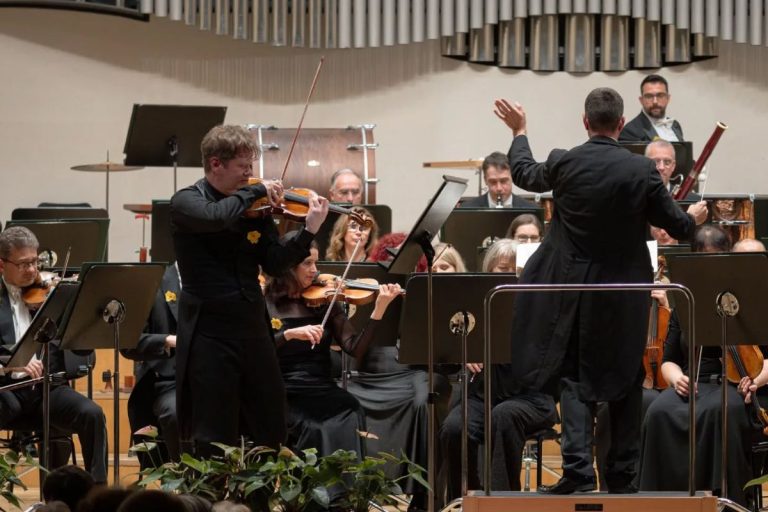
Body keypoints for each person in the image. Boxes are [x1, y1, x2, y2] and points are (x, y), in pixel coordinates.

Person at [493, 88, 708, 494]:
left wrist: (520, 131)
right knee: (626, 380)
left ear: (585, 122)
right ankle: (621, 479)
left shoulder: (564, 161)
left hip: (571, 293)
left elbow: (523, 172)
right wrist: (692, 215)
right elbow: (678, 228)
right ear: (622, 125)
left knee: (574, 380)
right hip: (623, 295)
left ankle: (576, 475)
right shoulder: (641, 171)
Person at [170, 124, 329, 457]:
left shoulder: (255, 209)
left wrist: (308, 231)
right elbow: (215, 218)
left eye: (251, 167)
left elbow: (273, 262)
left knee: (270, 420)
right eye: (243, 167)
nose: (250, 174)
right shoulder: (187, 201)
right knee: (215, 430)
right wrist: (253, 191)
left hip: (253, 328)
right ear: (216, 164)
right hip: (209, 332)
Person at [638, 225, 765, 506]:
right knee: (658, 411)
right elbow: (669, 360)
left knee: (720, 412)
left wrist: (757, 379)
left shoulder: (750, 295)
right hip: (693, 383)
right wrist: (676, 379)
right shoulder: (686, 300)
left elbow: (764, 359)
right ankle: (661, 504)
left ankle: (723, 502)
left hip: (737, 383)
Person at [439, 241, 557, 500]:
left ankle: (502, 501)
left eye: (513, 270)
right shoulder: (476, 304)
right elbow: (447, 351)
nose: (509, 276)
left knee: (504, 415)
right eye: (501, 269)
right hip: (483, 395)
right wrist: (463, 353)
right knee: (454, 427)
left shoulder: (539, 304)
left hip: (530, 397)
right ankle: (464, 497)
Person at [265, 236, 401, 459]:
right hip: (284, 390)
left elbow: (354, 348)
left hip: (321, 386)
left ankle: (345, 489)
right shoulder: (266, 301)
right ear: (289, 265)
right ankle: (314, 489)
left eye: (316, 263)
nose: (315, 270)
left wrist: (379, 309)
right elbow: (259, 352)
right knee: (316, 426)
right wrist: (288, 335)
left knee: (350, 409)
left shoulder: (325, 299)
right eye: (307, 263)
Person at [0, 226, 108, 483]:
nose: (32, 271)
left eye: (35, 262)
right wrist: (11, 364)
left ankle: (98, 494)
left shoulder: (50, 293)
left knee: (92, 414)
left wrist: (68, 304)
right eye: (24, 264)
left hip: (46, 390)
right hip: (5, 391)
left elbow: (81, 345)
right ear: (2, 265)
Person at [121, 263, 181, 467]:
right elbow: (128, 343)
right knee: (176, 413)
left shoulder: (216, 283)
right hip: (167, 382)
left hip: (212, 379)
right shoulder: (151, 284)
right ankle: (182, 485)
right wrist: (166, 340)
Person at [459, 152, 539, 209]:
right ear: (485, 180)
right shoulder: (467, 209)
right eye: (493, 182)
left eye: (504, 181)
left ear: (512, 177)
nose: (499, 188)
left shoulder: (530, 210)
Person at [619, 74, 684, 143]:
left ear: (668, 98)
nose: (655, 102)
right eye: (649, 96)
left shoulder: (675, 125)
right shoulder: (630, 131)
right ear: (641, 100)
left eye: (660, 95)